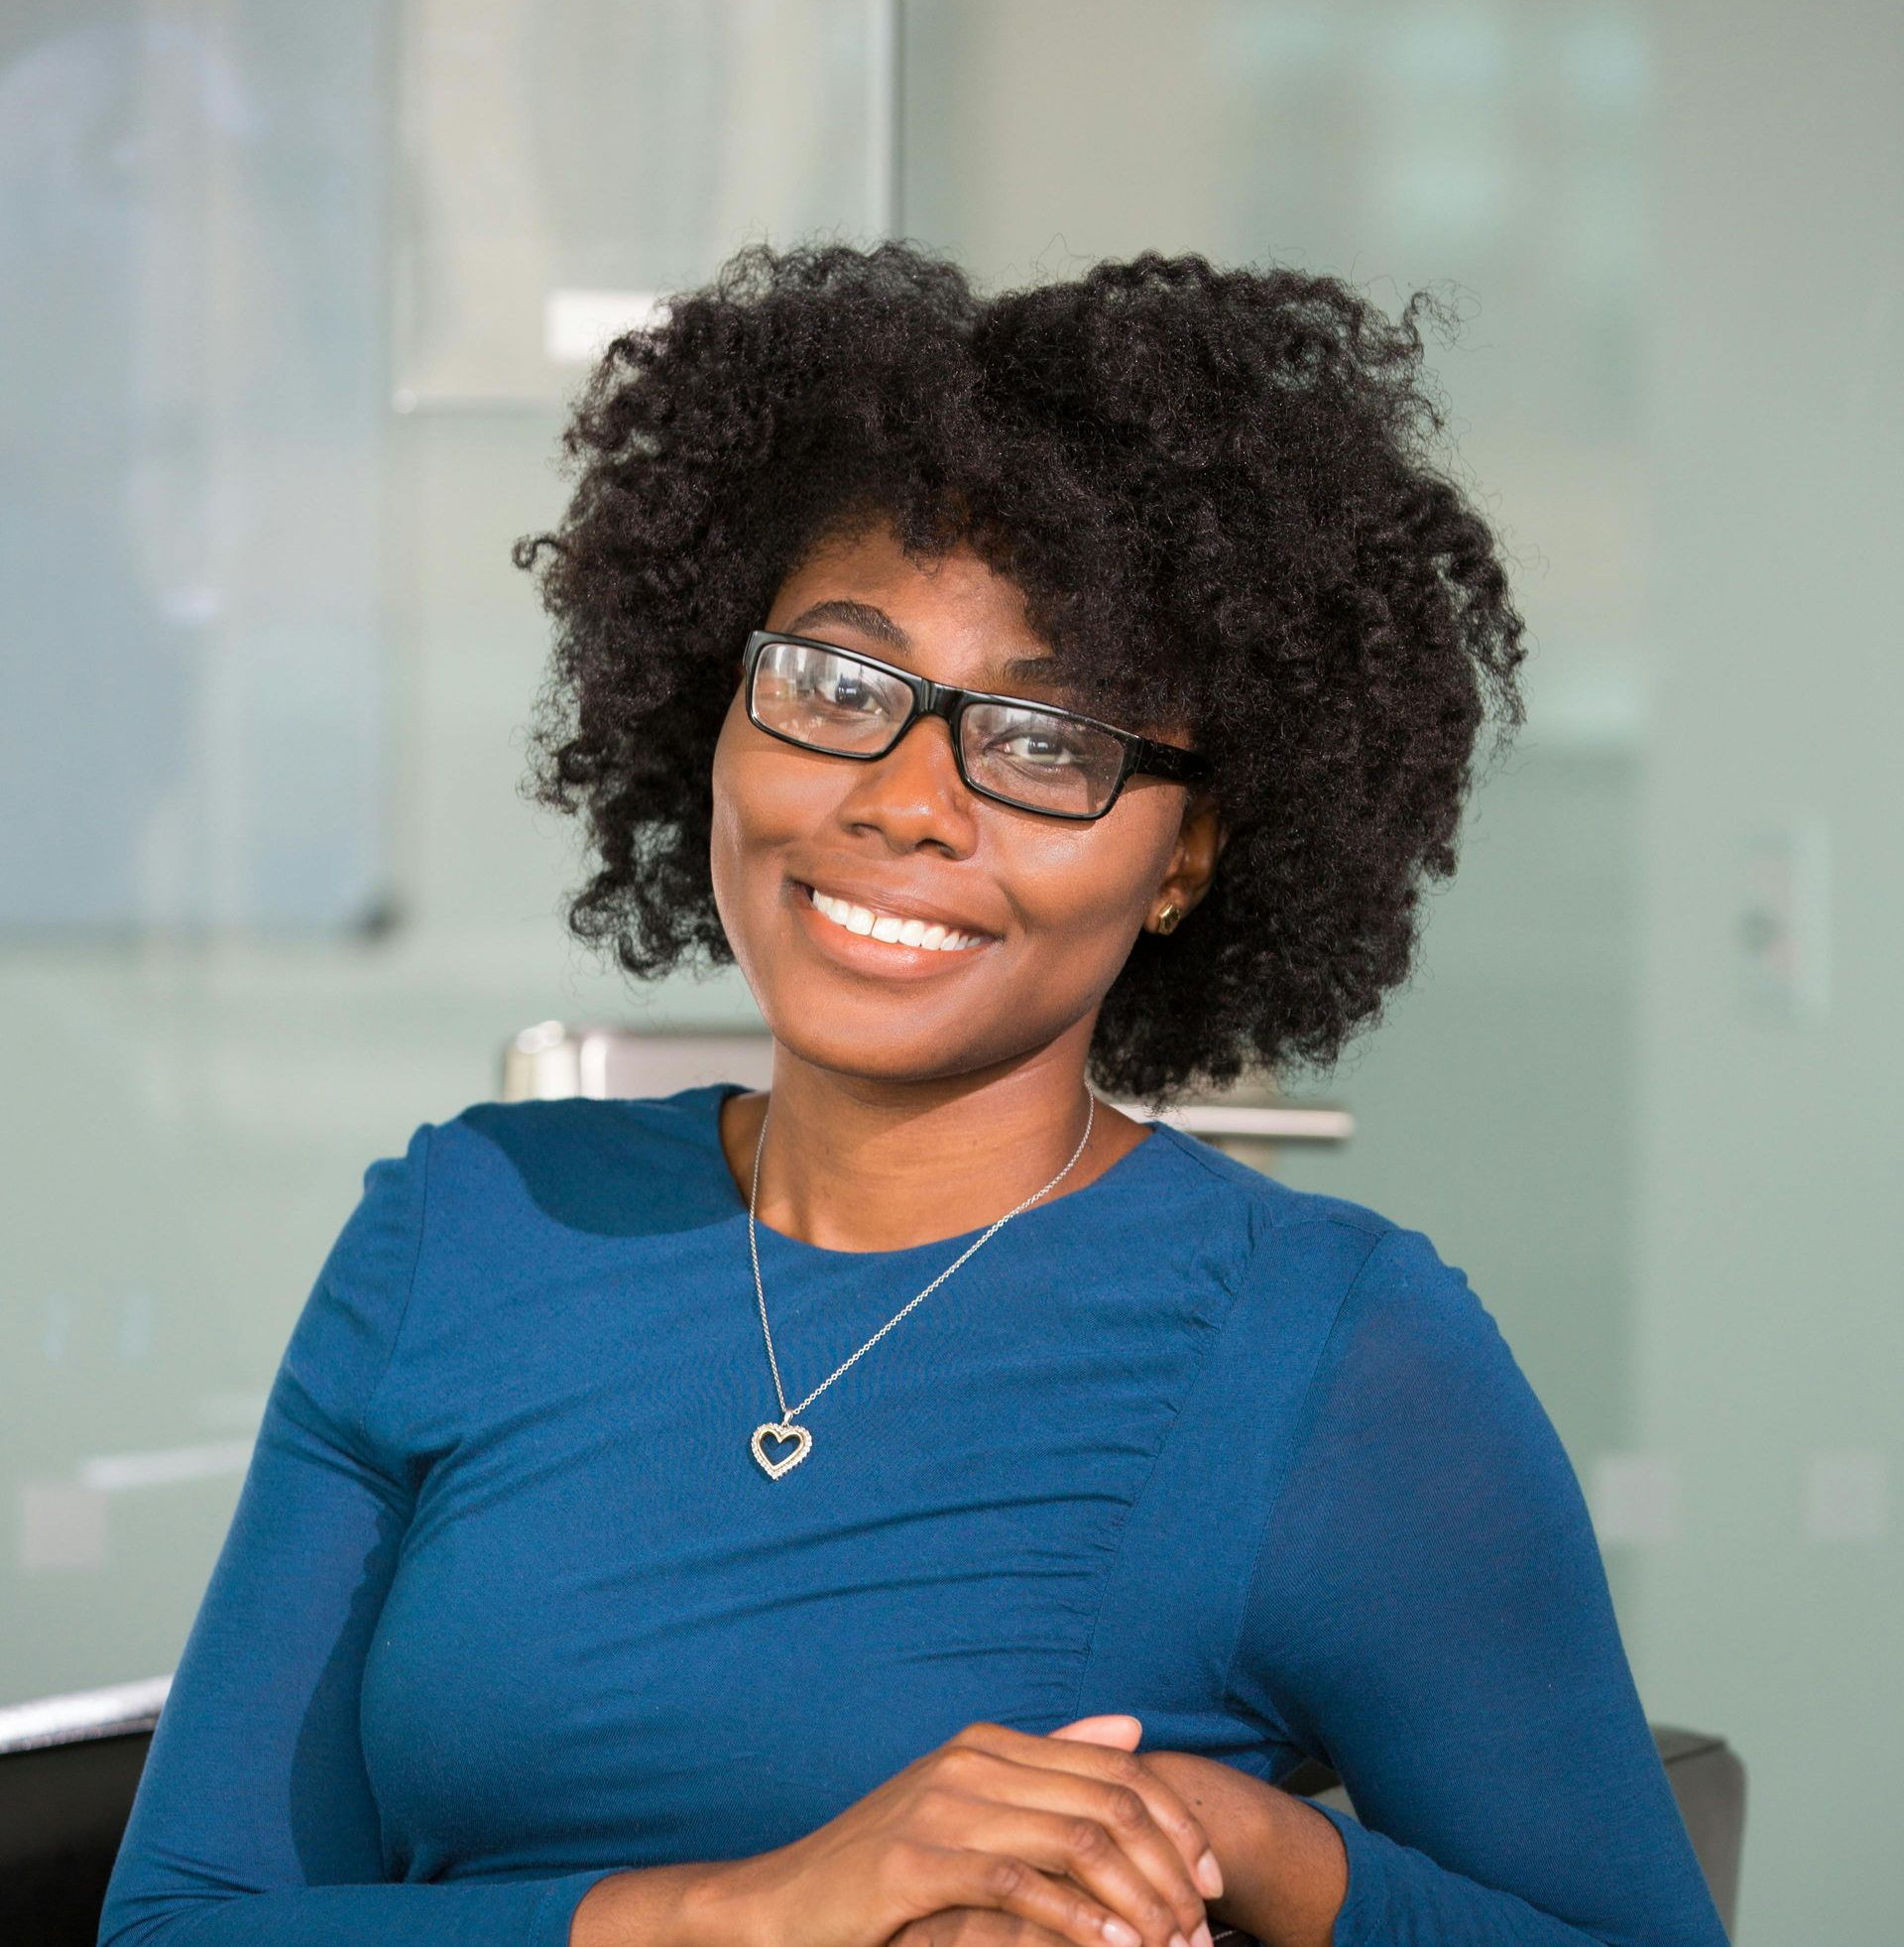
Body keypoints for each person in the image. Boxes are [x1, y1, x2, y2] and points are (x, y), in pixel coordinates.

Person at [98, 242, 1730, 1947]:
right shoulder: (467, 1226)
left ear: (1189, 858)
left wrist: (1230, 1839)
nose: (906, 801)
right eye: (840, 682)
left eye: (1044, 738)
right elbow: (178, 1922)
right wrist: (747, 1915)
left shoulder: (1334, 1353)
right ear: (713, 710)